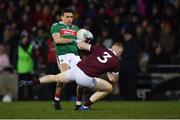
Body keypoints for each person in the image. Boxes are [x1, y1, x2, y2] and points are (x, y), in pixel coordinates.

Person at [20, 41, 123, 110]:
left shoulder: (100, 49)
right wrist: (109, 72)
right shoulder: (116, 61)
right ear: (118, 52)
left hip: (77, 68)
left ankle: (31, 82)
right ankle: (85, 106)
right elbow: (113, 79)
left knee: (56, 77)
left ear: (112, 47)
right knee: (109, 88)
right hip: (85, 77)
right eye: (120, 53)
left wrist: (80, 40)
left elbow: (81, 45)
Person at [50, 8, 90, 110]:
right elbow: (57, 40)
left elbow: (79, 44)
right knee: (64, 78)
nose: (69, 19)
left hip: (75, 55)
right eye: (67, 17)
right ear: (62, 17)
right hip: (63, 55)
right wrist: (74, 40)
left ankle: (78, 104)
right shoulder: (56, 26)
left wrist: (86, 42)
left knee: (83, 78)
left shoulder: (76, 28)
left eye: (71, 17)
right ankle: (56, 100)